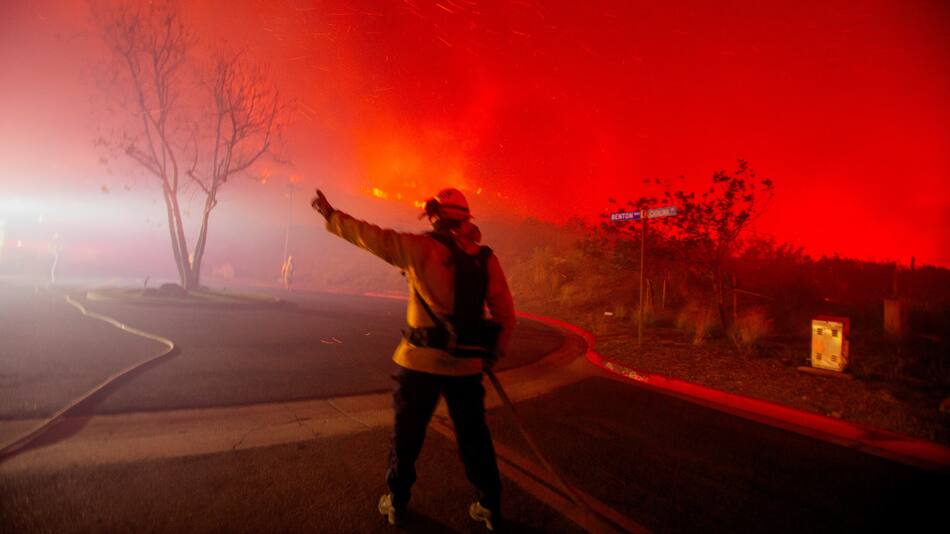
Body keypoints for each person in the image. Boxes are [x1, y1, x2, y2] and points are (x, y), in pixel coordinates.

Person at [311, 187, 515, 531]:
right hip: (466, 365)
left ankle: (397, 503)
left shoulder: (418, 248)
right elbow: (506, 314)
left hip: (419, 363)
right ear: (466, 219)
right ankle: (490, 506)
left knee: (407, 437)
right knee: (474, 437)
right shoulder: (485, 259)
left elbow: (372, 237)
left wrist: (333, 216)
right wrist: (493, 354)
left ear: (435, 216)